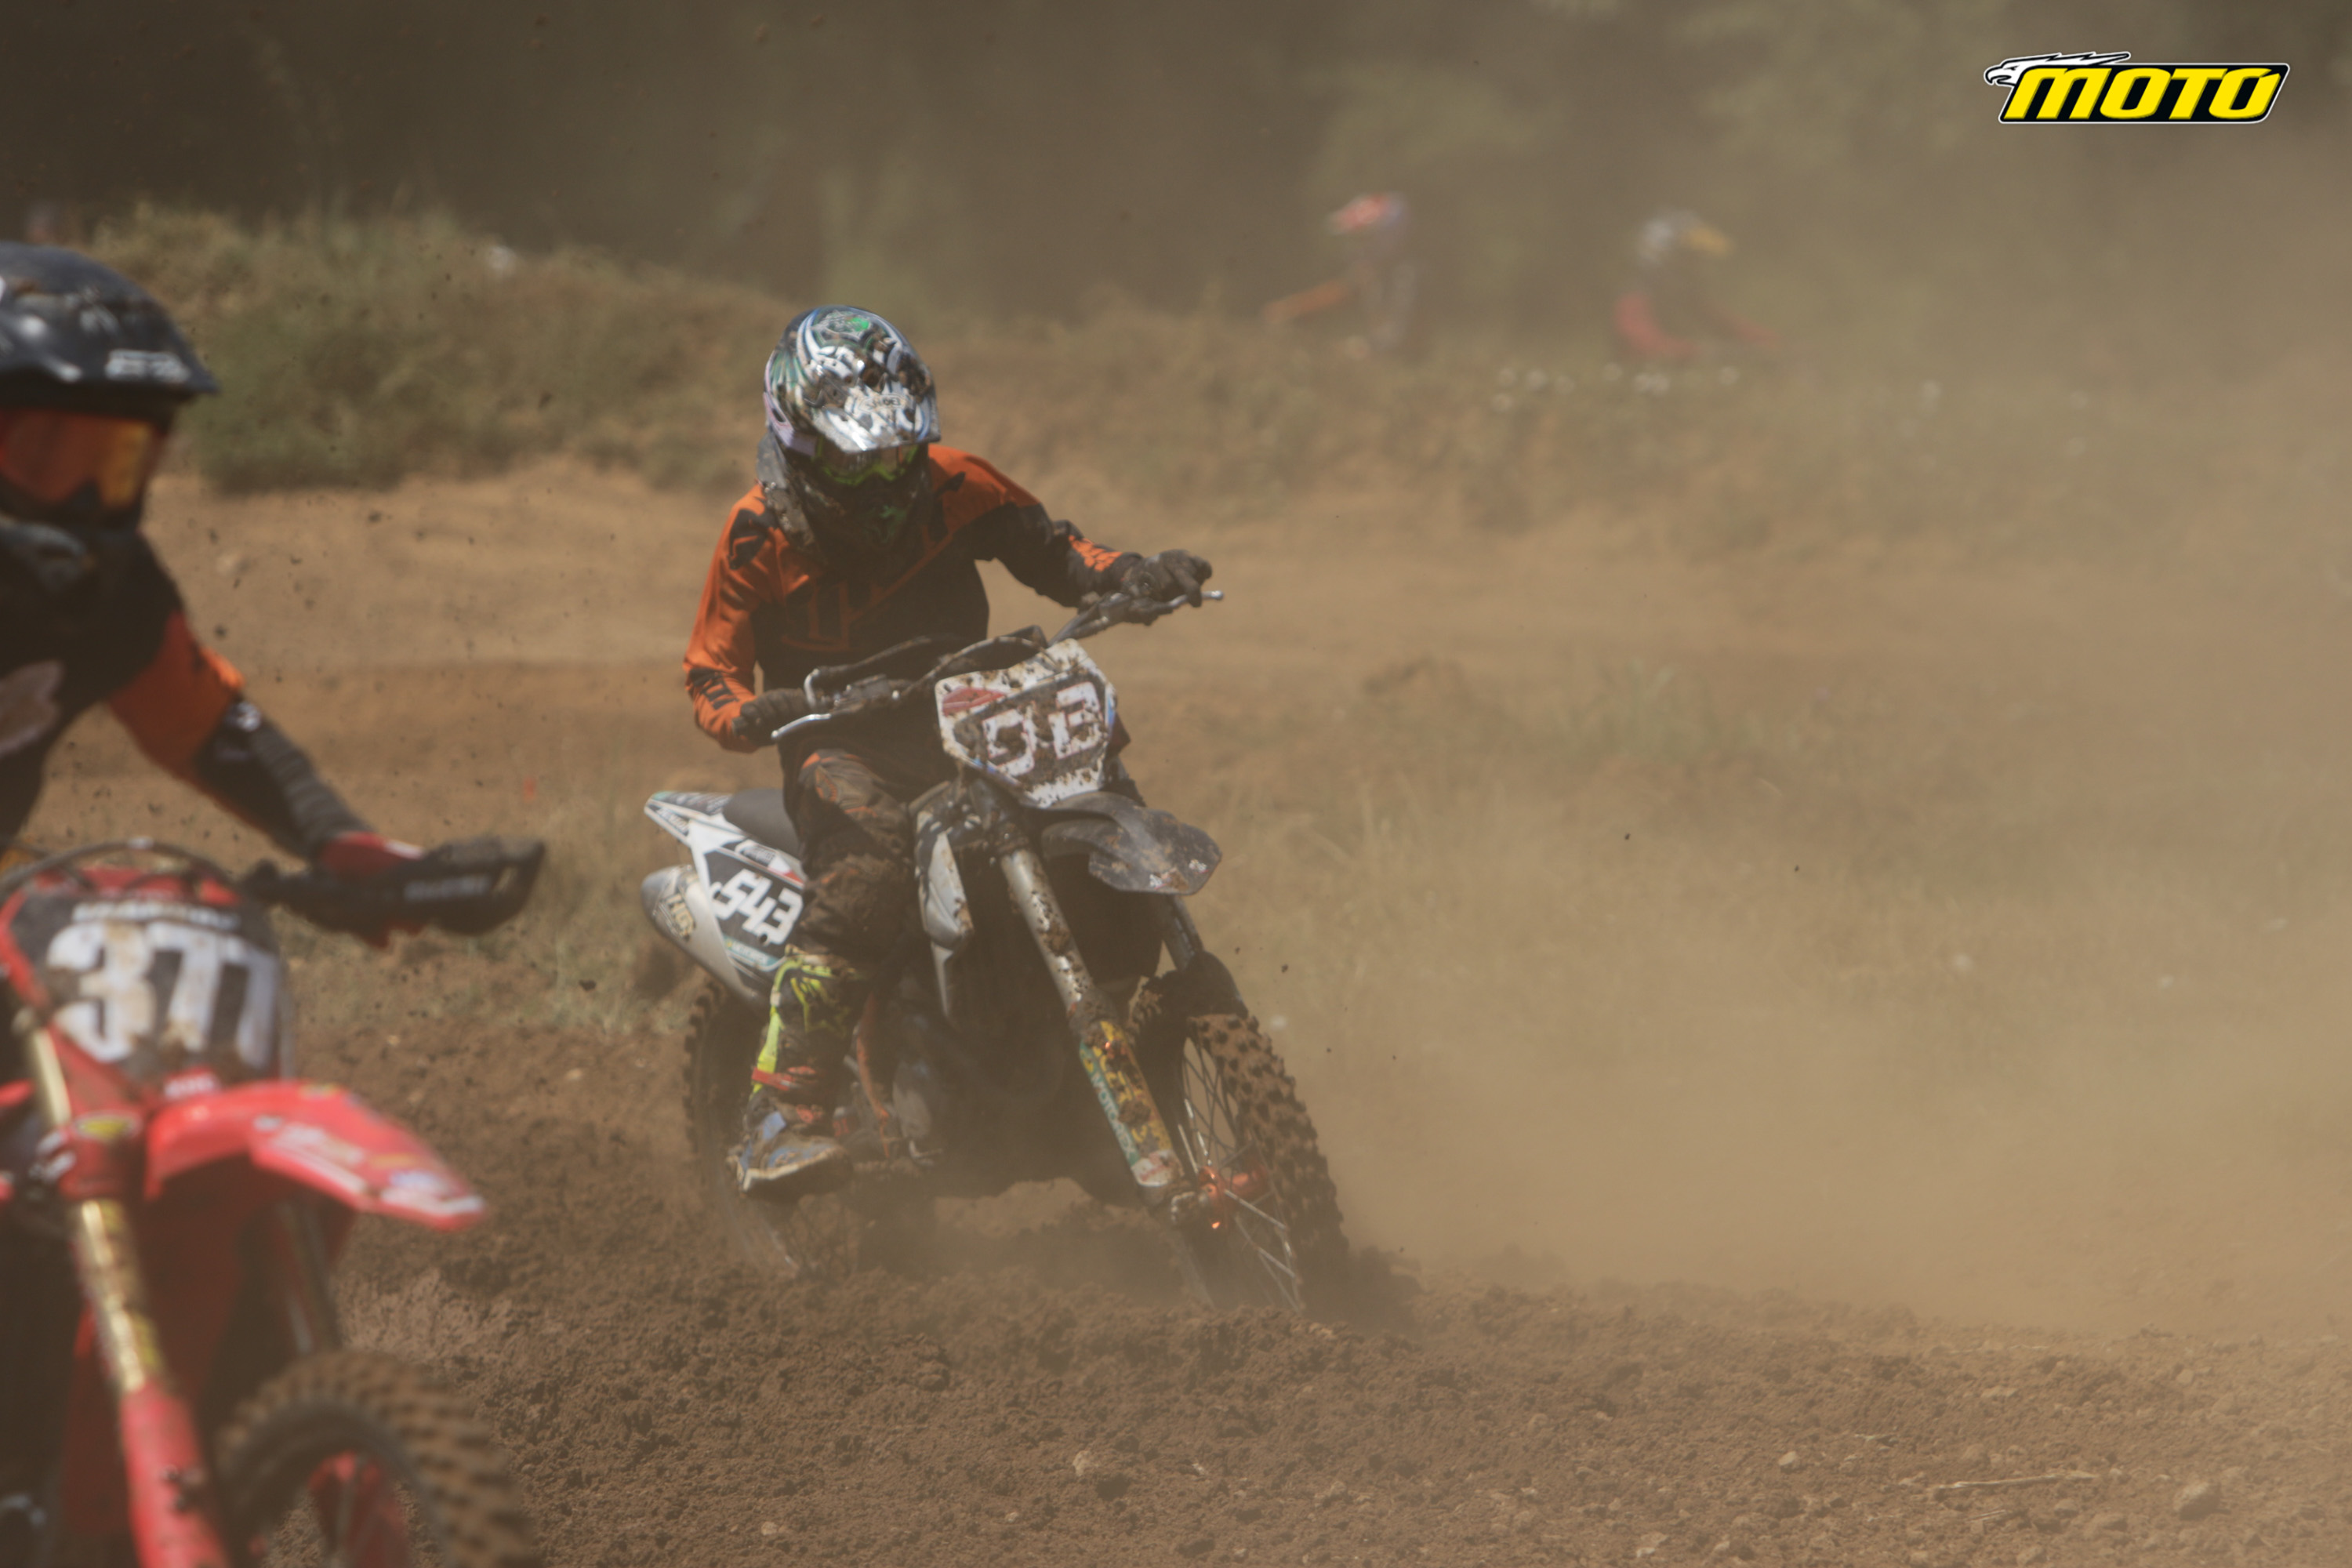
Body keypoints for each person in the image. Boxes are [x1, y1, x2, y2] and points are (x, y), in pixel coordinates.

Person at [0, 245, 462, 1540]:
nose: (86, 497)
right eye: (50, 452)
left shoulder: (105, 594)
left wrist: (346, 848)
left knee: (113, 1115)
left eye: (116, 461)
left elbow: (210, 728)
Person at [683, 305, 1213, 1199]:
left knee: (1090, 790)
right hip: (842, 742)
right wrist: (751, 713)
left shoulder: (955, 482)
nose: (884, 476)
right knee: (868, 872)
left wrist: (1132, 573)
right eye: (857, 460)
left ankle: (1099, 1054)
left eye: (897, 453)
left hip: (968, 711)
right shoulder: (755, 533)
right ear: (802, 443)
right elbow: (710, 674)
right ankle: (783, 1111)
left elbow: (1055, 550)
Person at [1611, 209, 1780, 363]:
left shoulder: (1684, 294)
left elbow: (1728, 325)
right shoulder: (1634, 296)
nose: (1696, 266)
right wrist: (1711, 354)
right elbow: (1646, 346)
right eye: (1690, 258)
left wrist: (1773, 343)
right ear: (1663, 257)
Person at [1260, 191, 1417, 355]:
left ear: (1387, 238)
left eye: (1363, 239)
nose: (1355, 248)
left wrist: (1346, 350)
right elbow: (1342, 289)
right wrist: (1292, 308)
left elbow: (1398, 342)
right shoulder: (1377, 269)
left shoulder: (1408, 277)